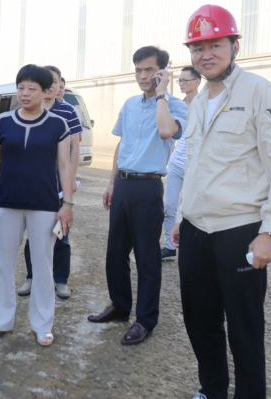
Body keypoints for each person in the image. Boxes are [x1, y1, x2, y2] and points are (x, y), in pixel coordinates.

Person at [169, 5, 271, 399]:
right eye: (198, 48)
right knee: (199, 319)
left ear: (235, 46)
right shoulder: (197, 103)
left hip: (239, 231)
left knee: (244, 327)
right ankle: (212, 390)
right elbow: (195, 165)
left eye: (215, 45)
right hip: (196, 230)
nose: (206, 54)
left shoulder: (259, 92)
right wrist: (182, 215)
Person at [87, 46, 188, 347]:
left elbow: (167, 131)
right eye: (138, 70)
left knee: (146, 258)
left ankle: (145, 320)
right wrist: (111, 183)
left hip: (148, 188)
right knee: (115, 253)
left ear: (162, 72)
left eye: (149, 70)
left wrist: (162, 94)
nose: (143, 76)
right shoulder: (130, 104)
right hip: (123, 185)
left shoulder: (176, 106)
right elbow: (123, 144)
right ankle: (120, 306)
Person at [0, 64, 74, 347]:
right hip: (8, 202)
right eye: (21, 87)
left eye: (32, 88)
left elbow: (64, 165)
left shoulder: (58, 124)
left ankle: (42, 325)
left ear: (46, 91)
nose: (25, 93)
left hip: (45, 204)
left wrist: (68, 203)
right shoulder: (4, 121)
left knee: (43, 266)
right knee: (3, 265)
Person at [18, 66, 82, 300]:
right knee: (33, 233)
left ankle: (60, 279)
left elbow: (75, 147)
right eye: (49, 81)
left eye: (56, 81)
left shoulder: (68, 111)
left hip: (58, 183)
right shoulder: (27, 109)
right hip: (34, 182)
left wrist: (71, 180)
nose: (53, 86)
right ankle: (32, 276)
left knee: (60, 231)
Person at [161, 66, 201, 260]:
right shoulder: (177, 105)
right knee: (169, 206)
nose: (182, 84)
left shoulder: (205, 104)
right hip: (176, 164)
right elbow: (163, 94)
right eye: (180, 80)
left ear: (197, 82)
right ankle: (170, 246)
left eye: (186, 80)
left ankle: (192, 248)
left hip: (197, 166)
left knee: (192, 209)